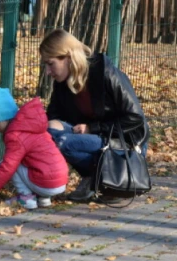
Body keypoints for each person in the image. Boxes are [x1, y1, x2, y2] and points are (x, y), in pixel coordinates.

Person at [39, 29, 150, 202]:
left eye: (50, 64)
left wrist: (92, 128)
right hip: (94, 139)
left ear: (68, 57)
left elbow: (135, 119)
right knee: (50, 132)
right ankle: (96, 179)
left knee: (63, 142)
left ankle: (108, 180)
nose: (47, 71)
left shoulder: (106, 73)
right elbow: (52, 118)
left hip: (125, 141)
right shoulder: (62, 84)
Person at [0, 88, 68, 210]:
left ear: (7, 117)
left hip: (47, 183)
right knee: (28, 161)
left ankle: (26, 198)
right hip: (60, 181)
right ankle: (43, 198)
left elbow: (8, 166)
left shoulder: (15, 136)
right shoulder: (31, 127)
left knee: (14, 165)